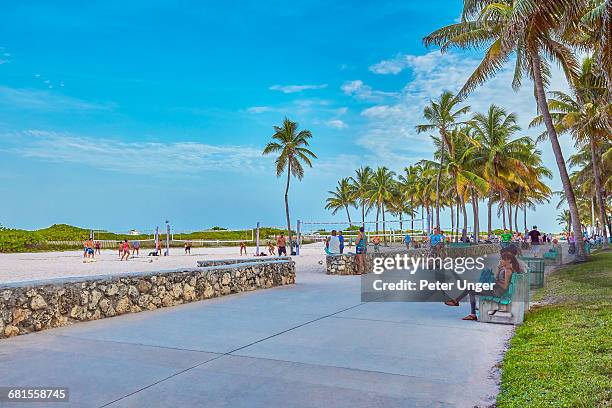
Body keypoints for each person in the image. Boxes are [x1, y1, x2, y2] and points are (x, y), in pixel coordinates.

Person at [445, 250, 520, 320]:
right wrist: (499, 268)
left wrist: (496, 282)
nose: (501, 260)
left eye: (503, 259)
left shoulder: (508, 271)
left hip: (497, 291)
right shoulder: (504, 269)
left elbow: (505, 286)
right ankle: (465, 309)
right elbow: (496, 278)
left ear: (509, 260)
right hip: (495, 289)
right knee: (471, 288)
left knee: (470, 289)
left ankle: (461, 306)